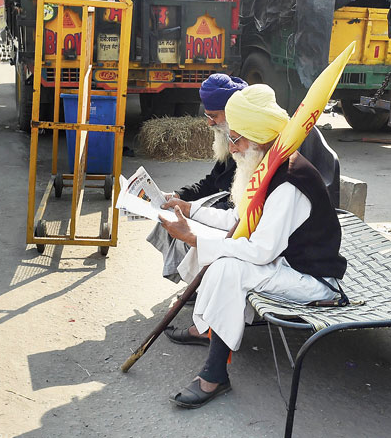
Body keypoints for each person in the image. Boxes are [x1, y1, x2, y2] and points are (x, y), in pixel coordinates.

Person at [159, 84, 347, 408]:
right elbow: (238, 218)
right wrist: (191, 212)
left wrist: (195, 238)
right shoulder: (266, 163)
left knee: (228, 266)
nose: (232, 149)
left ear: (259, 138)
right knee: (219, 251)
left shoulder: (288, 180)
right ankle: (208, 332)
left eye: (236, 138)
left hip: (313, 281)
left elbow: (260, 251)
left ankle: (215, 374)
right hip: (283, 262)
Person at [146, 74, 245, 284]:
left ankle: (200, 281)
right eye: (207, 116)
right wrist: (179, 195)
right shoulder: (230, 138)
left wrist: (194, 210)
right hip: (221, 207)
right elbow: (211, 182)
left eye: (214, 116)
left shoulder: (248, 142)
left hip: (234, 215)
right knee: (170, 212)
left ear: (232, 113)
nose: (209, 123)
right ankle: (194, 279)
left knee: (184, 221)